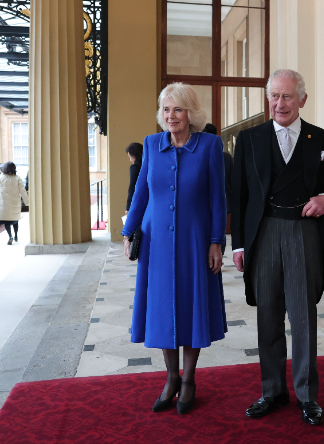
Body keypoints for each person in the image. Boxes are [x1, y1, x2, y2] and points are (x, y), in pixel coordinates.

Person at [231, 69, 324, 426]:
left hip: (304, 232)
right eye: (274, 96)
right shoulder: (249, 139)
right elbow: (240, 196)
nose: (280, 104)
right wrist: (238, 245)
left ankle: (307, 396)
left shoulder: (322, 138)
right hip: (263, 234)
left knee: (304, 316)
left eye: (288, 97)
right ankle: (272, 391)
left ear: (302, 100)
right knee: (268, 316)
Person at [121, 82, 227, 414]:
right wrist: (128, 232)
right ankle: (170, 378)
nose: (171, 116)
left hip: (195, 241)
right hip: (157, 243)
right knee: (162, 309)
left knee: (192, 307)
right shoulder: (151, 145)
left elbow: (218, 200)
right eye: (166, 110)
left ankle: (190, 379)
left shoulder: (209, 145)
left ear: (191, 113)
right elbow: (141, 193)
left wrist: (216, 242)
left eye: (178, 109)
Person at [203, 123, 234, 256]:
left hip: (205, 199)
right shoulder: (226, 157)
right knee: (220, 227)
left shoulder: (201, 155)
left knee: (207, 227)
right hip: (224, 198)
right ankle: (219, 253)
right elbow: (232, 180)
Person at [0, 161, 30, 245]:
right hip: (15, 204)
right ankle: (16, 235)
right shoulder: (17, 178)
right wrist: (28, 202)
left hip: (4, 204)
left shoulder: (1, 178)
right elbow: (23, 192)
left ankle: (10, 236)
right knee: (15, 221)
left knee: (7, 222)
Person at [125, 142, 143, 215]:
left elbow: (132, 187)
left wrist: (128, 207)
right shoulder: (149, 164)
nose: (130, 160)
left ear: (135, 155)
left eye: (130, 157)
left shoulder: (135, 167)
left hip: (139, 200)